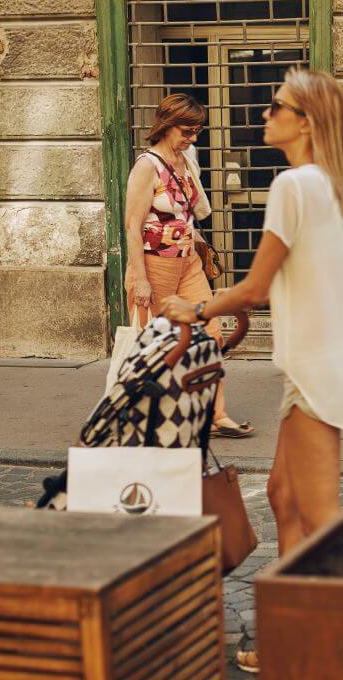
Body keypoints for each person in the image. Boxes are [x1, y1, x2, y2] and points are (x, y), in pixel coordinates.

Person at [161, 70, 343, 675]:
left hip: (319, 366)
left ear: (305, 121)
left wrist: (194, 308)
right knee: (283, 495)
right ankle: (289, 627)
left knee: (322, 516)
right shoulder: (332, 183)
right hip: (323, 359)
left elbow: (254, 288)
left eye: (275, 105)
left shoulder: (294, 184)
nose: (264, 113)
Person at [124, 92, 255, 438]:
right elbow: (132, 227)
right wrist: (140, 279)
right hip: (155, 265)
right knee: (160, 343)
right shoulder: (146, 167)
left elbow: (188, 213)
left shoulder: (188, 159)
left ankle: (215, 415)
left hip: (189, 263)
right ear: (166, 125)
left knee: (210, 333)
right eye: (187, 131)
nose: (192, 138)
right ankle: (148, 417)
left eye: (196, 131)